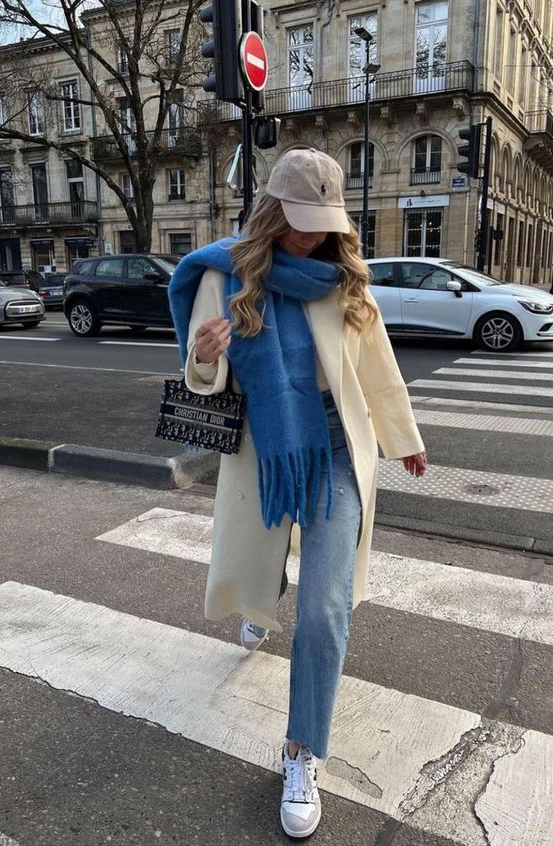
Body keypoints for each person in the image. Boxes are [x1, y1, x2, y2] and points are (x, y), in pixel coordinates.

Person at [168, 147, 427, 839]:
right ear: (272, 212)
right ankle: (259, 600)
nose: (311, 236)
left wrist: (405, 438)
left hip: (341, 450)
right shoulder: (224, 275)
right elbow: (201, 388)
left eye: (323, 222)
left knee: (324, 607)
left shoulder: (342, 281)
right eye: (299, 221)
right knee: (263, 564)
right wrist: (202, 355)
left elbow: (377, 364)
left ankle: (301, 751)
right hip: (263, 452)